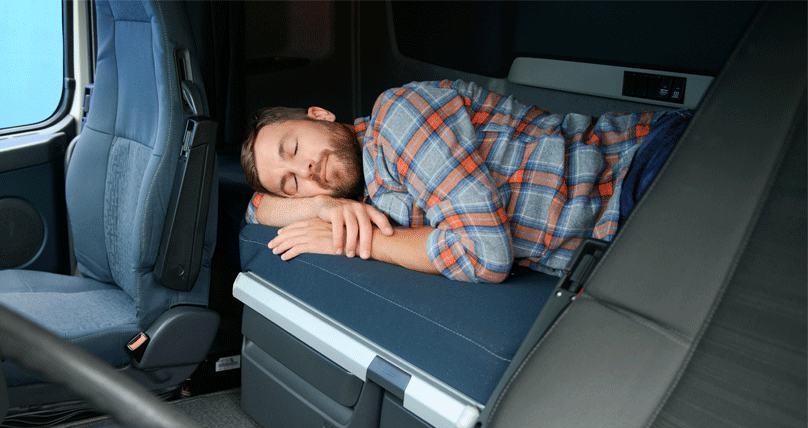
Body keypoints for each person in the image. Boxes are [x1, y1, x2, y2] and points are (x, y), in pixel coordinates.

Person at [241, 79, 691, 283]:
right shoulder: (361, 192)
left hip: (647, 169)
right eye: (292, 184)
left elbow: (485, 256)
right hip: (612, 244)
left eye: (295, 149)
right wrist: (323, 207)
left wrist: (355, 241)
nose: (306, 171)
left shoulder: (396, 118)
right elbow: (256, 207)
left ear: (319, 115)